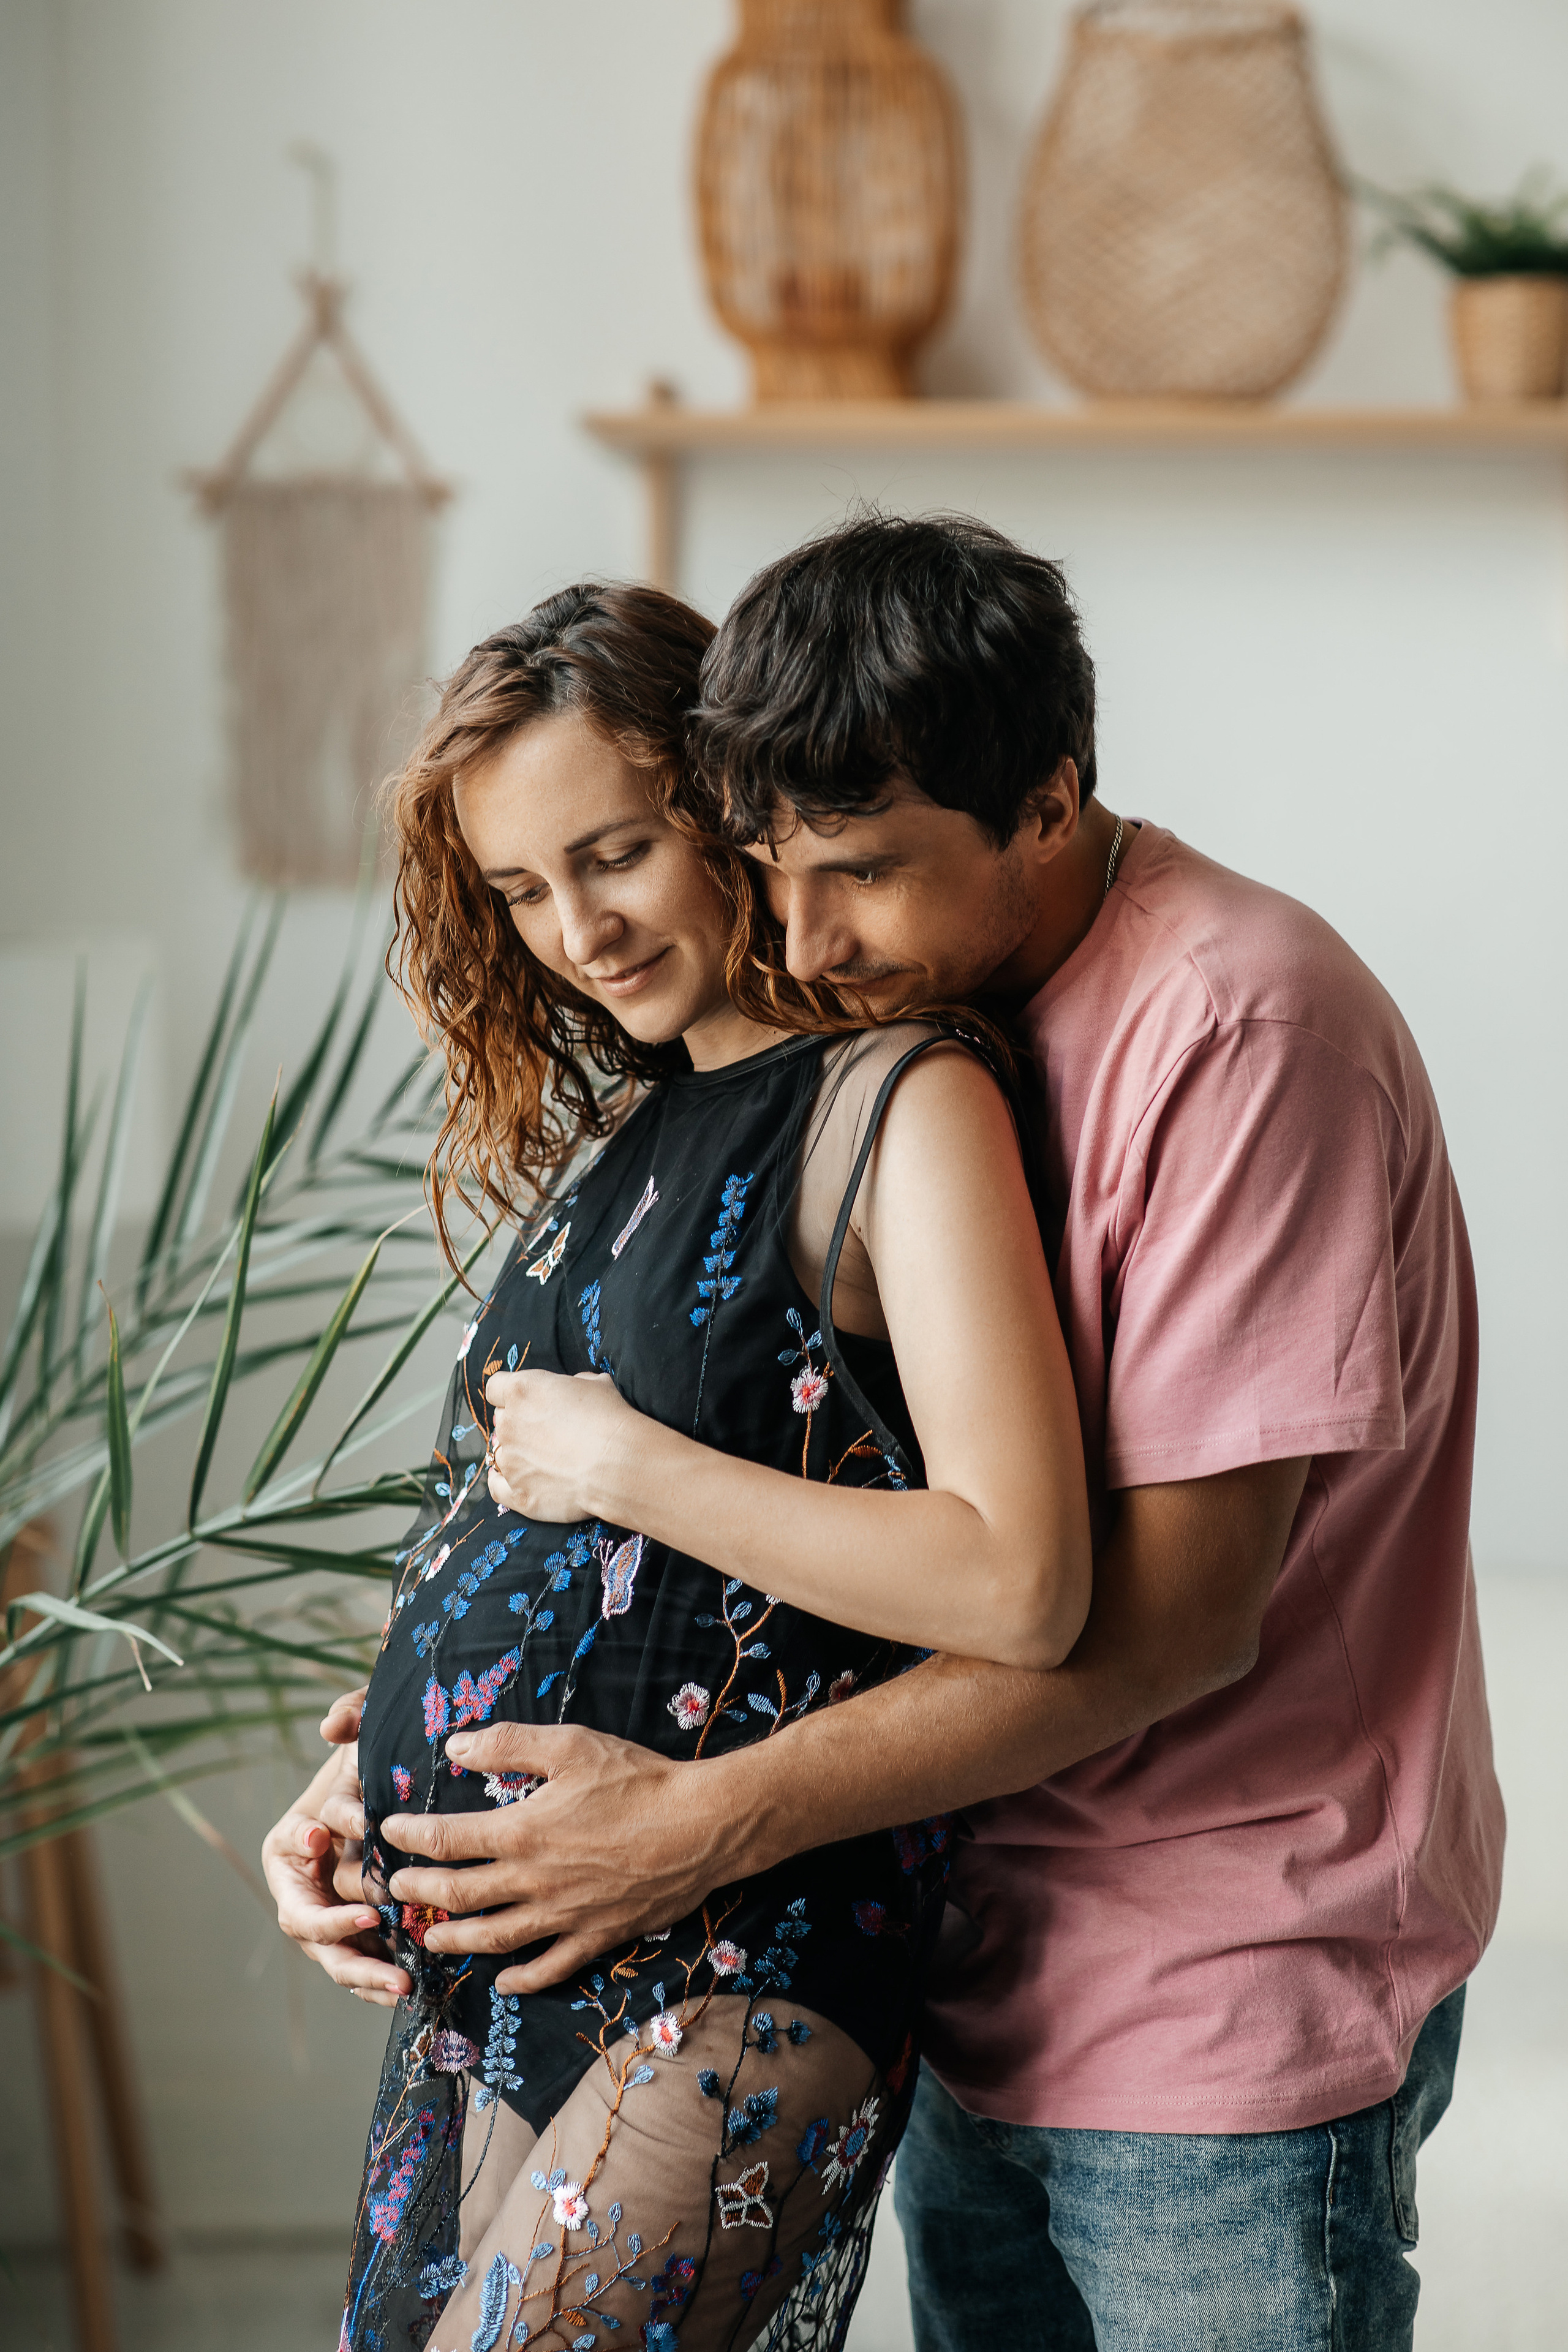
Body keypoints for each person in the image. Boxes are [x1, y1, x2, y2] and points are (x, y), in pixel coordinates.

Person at [268, 516, 1504, 2351]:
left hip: (1211, 1963)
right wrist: (394, 1766)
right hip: (978, 1933)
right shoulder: (881, 1026)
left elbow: (1136, 1614)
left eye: (856, 874)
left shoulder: (1225, 1030)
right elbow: (735, 1528)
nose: (808, 934)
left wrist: (689, 1823)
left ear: (1049, 803)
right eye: (777, 867)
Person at [320, 576, 1092, 2352]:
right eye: (521, 889)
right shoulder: (627, 1136)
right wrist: (345, 1781)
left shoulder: (902, 1102)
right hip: (511, 1957)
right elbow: (505, 1541)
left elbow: (1020, 1580)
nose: (576, 928)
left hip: (743, 1957)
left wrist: (627, 1459)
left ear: (727, 802)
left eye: (615, 852)